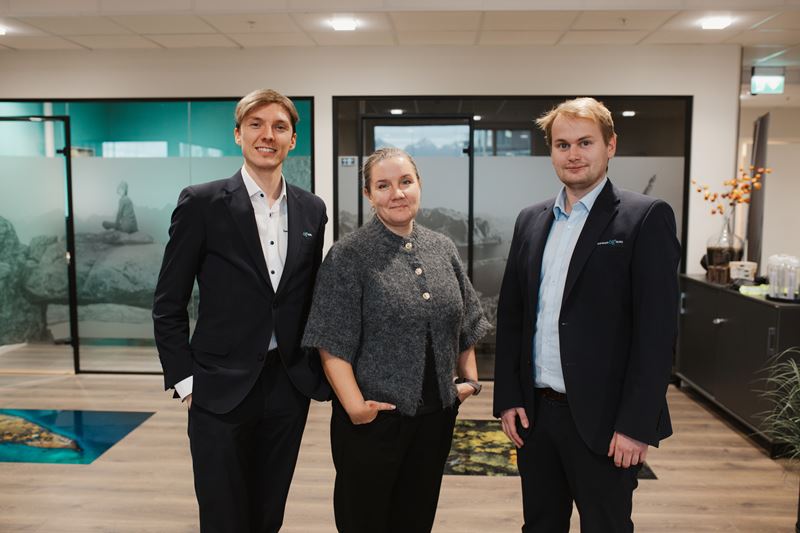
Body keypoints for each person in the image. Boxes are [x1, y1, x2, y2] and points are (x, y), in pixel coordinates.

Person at [493, 97, 680, 532]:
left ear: (610, 146)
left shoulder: (644, 218)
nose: (573, 154)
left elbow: (656, 334)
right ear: (551, 152)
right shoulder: (531, 220)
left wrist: (636, 424)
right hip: (536, 416)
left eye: (585, 142)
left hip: (606, 421)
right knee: (540, 525)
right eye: (562, 145)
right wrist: (509, 397)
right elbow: (513, 317)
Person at [152, 88, 329, 533]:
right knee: (223, 514)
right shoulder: (202, 203)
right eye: (256, 124)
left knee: (269, 514)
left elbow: (309, 296)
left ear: (292, 140)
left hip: (287, 384)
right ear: (238, 134)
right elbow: (168, 302)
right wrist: (185, 381)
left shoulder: (312, 209)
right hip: (217, 386)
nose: (268, 135)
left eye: (280, 127)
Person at [302, 147, 490, 533]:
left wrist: (468, 382)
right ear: (369, 195)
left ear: (419, 184)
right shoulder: (348, 255)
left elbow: (467, 321)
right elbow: (330, 340)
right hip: (374, 422)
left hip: (435, 420)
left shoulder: (442, 248)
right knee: (364, 521)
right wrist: (356, 409)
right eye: (383, 185)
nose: (397, 193)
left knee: (416, 520)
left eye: (405, 182)